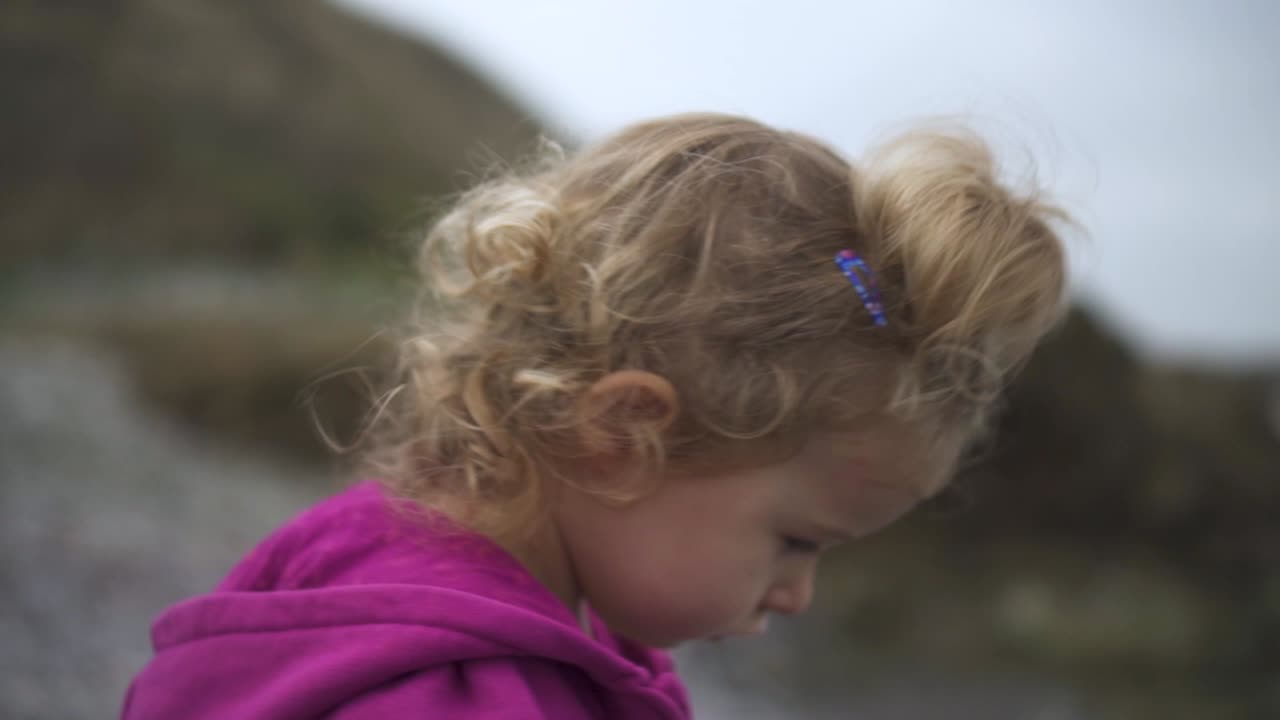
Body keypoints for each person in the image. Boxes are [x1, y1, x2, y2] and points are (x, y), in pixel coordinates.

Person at [122, 112, 1070, 719]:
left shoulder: (355, 548)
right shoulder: (446, 694)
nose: (797, 596)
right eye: (797, 539)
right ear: (623, 436)